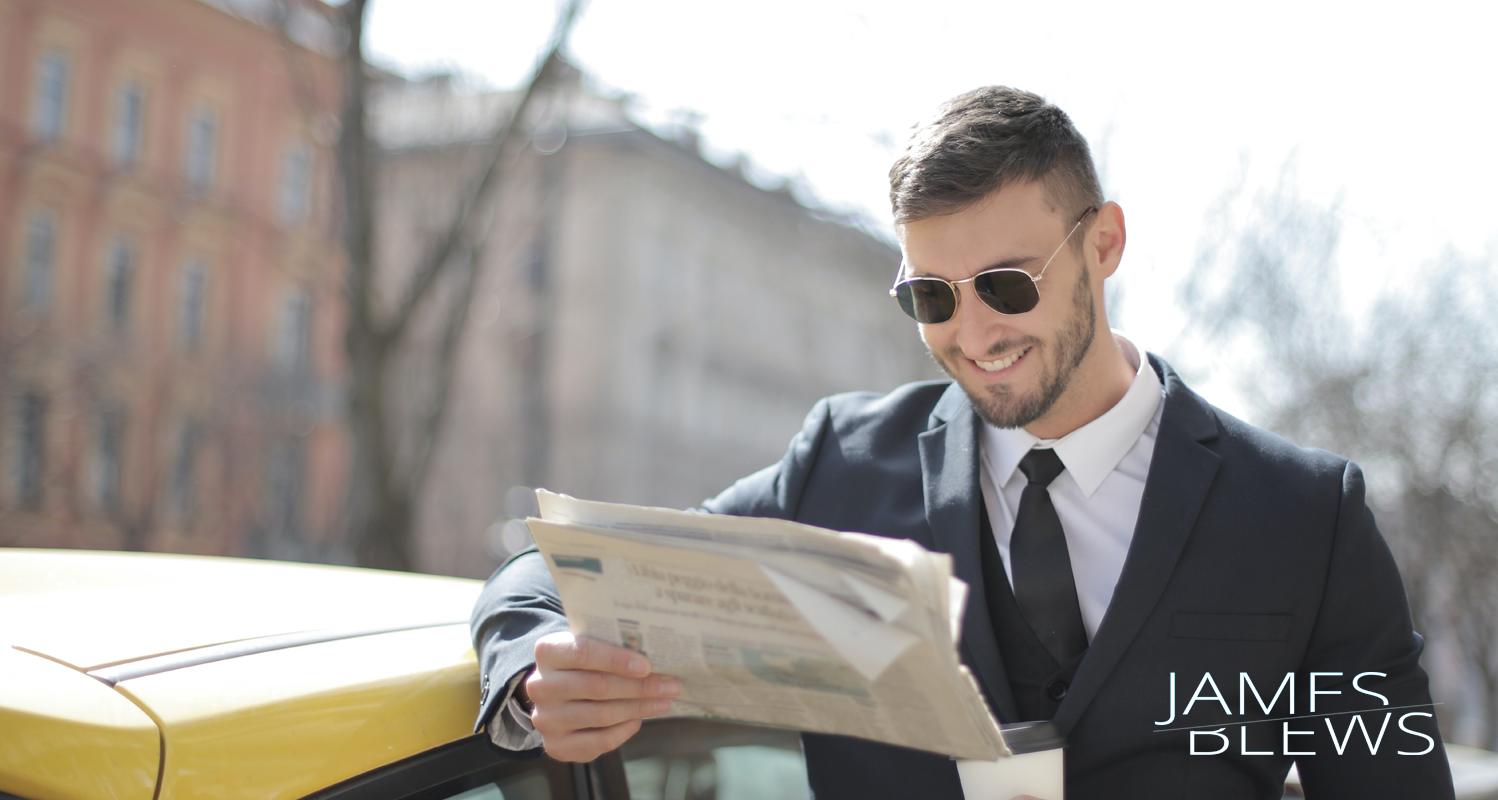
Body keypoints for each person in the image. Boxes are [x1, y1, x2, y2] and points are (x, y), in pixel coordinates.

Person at [469, 86, 1456, 799]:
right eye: (930, 296)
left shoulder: (1302, 515)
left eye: (1007, 283)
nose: (973, 331)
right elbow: (544, 575)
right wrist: (531, 668)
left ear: (1103, 242)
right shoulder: (841, 464)